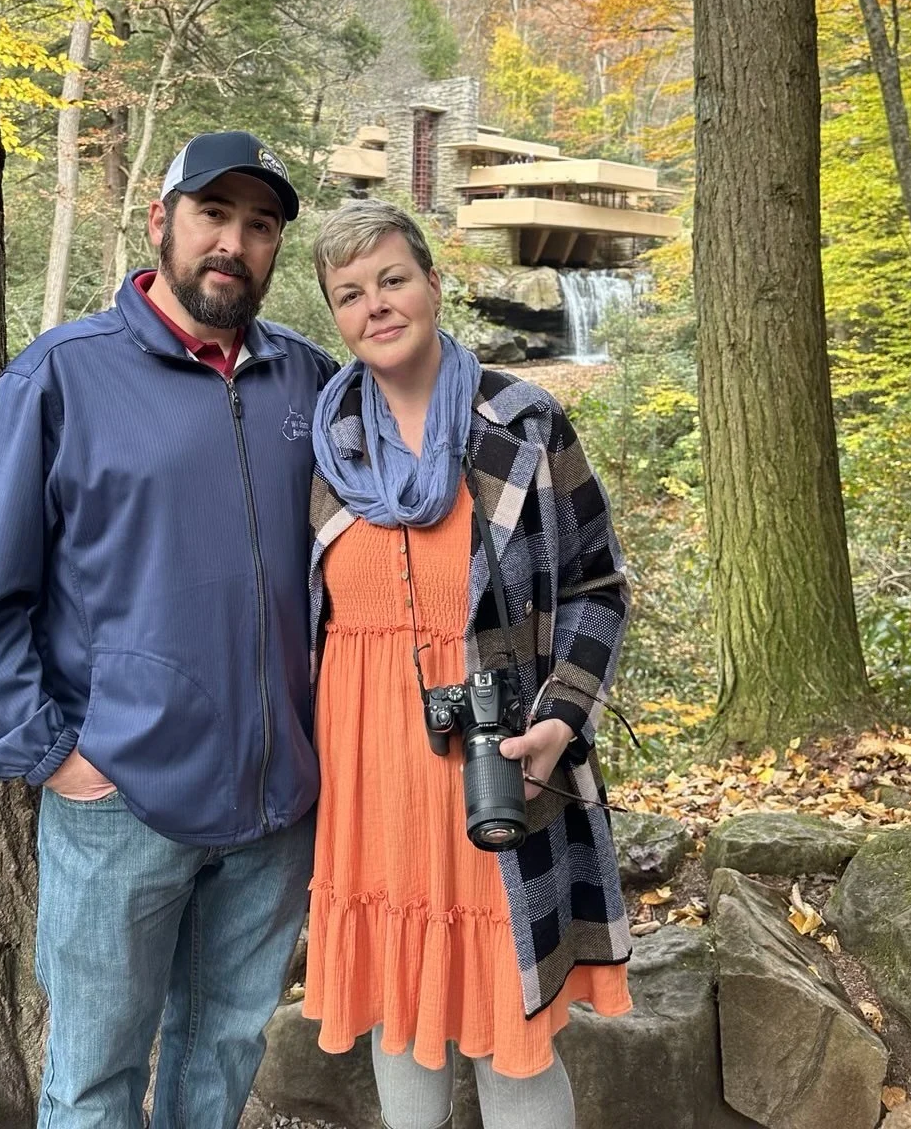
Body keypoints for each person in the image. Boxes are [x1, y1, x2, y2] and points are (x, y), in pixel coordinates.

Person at [0, 131, 336, 1129]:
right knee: (94, 1079)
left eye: (260, 225)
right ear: (161, 221)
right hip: (121, 800)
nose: (233, 242)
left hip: (275, 805)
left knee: (220, 1062)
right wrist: (53, 755)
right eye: (213, 213)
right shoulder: (62, 377)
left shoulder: (309, 382)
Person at [303, 200, 633, 1129]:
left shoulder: (523, 422)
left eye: (393, 279)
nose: (376, 305)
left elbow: (599, 585)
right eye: (350, 294)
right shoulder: (322, 439)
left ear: (434, 284)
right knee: (399, 1017)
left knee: (507, 1022)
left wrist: (561, 719)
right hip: (363, 779)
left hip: (497, 761)